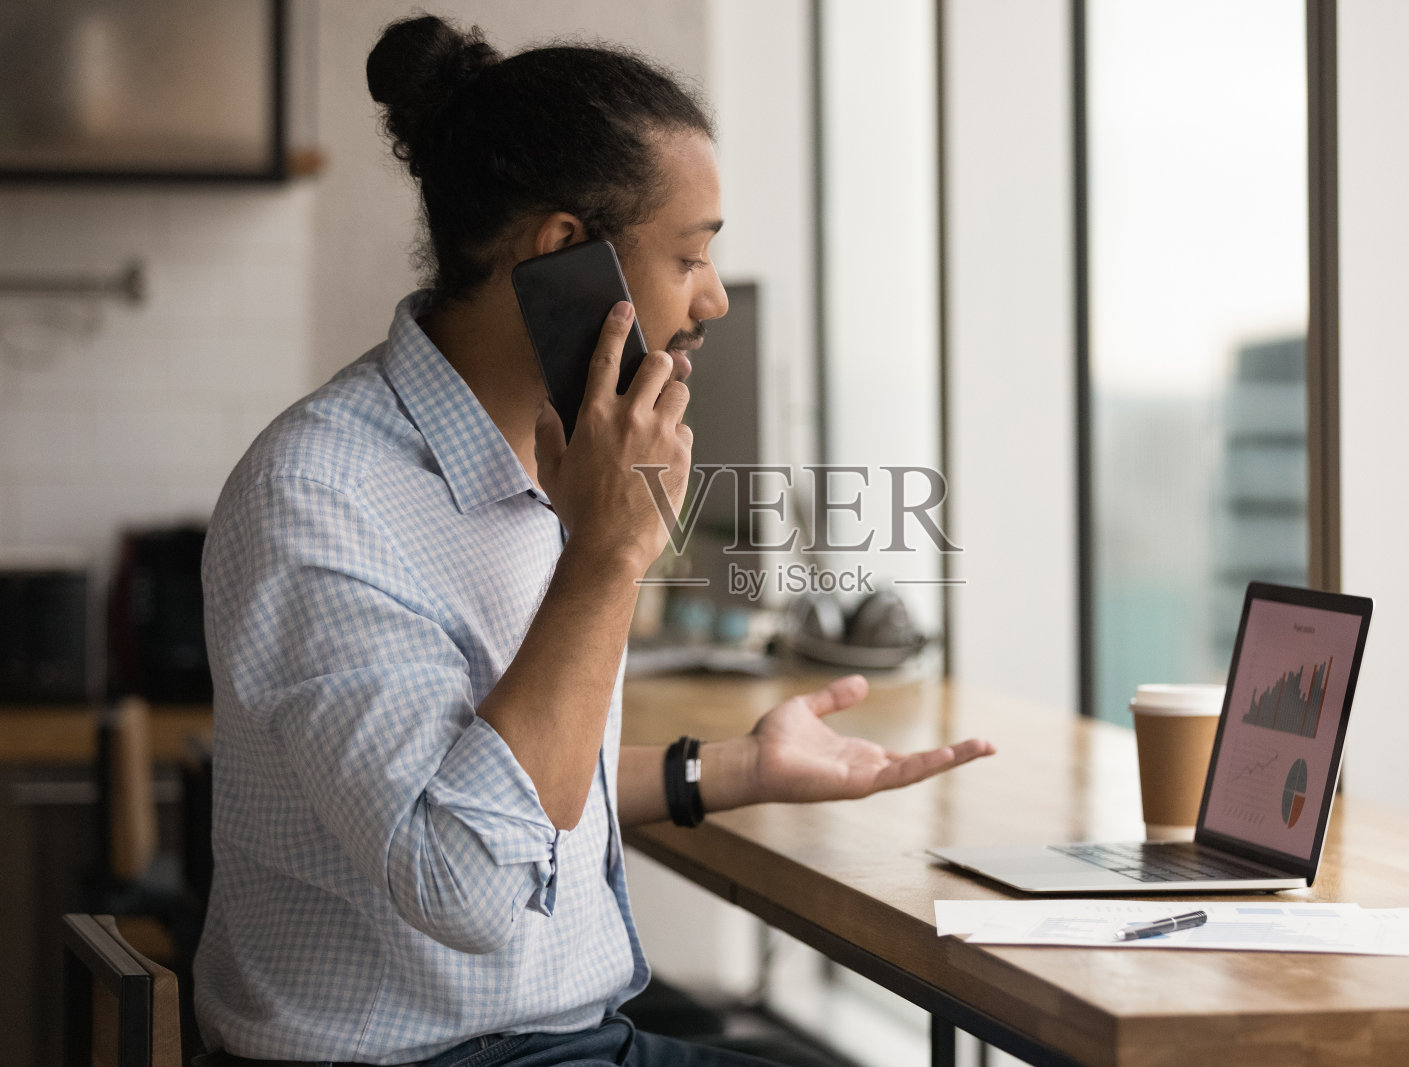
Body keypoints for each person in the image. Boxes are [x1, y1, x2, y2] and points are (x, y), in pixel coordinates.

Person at [193, 14, 994, 1067]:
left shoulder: (544, 457)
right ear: (564, 258)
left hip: (562, 1040)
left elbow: (498, 781)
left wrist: (734, 767)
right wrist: (608, 555)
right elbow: (467, 877)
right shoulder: (323, 492)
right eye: (688, 255)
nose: (710, 297)